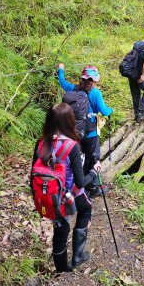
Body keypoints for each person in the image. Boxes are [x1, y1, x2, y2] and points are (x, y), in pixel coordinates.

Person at [32, 103, 101, 273]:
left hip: (47, 194)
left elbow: (32, 173)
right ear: (70, 120)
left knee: (61, 231)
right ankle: (77, 256)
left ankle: (61, 269)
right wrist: (94, 171)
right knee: (86, 208)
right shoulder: (72, 146)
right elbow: (80, 182)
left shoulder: (41, 143)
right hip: (68, 195)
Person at [58, 64, 113, 197]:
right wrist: (111, 110)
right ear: (94, 80)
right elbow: (104, 110)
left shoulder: (73, 89)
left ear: (82, 78)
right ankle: (93, 189)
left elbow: (62, 82)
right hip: (91, 133)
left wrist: (61, 69)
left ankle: (76, 184)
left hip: (75, 133)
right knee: (93, 159)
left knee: (79, 158)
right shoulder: (95, 93)